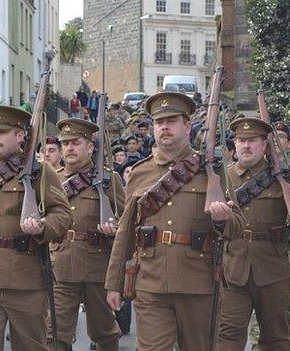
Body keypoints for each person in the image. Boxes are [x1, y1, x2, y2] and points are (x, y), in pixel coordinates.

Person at [105, 92, 244, 351]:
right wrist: (114, 283)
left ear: (188, 125)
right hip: (151, 282)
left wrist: (223, 220)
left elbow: (237, 227)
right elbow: (125, 232)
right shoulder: (139, 172)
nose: (164, 127)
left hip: (198, 285)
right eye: (159, 122)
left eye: (171, 120)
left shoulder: (211, 170)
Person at [0, 105, 72, 351]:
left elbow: (64, 215)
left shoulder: (40, 172)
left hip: (25, 279)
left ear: (20, 135)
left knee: (31, 346)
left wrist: (43, 226)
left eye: (2, 131)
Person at [48, 119, 124, 351]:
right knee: (55, 332)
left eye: (76, 143)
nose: (69, 148)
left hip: (97, 264)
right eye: (66, 143)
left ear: (90, 147)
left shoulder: (109, 180)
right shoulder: (53, 179)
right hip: (61, 262)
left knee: (104, 331)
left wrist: (113, 228)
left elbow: (126, 221)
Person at [217, 117, 290, 350]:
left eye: (252, 140)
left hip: (273, 269)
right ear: (235, 145)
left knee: (276, 338)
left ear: (265, 145)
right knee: (227, 336)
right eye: (241, 140)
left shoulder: (282, 178)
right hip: (233, 270)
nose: (246, 145)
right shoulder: (222, 178)